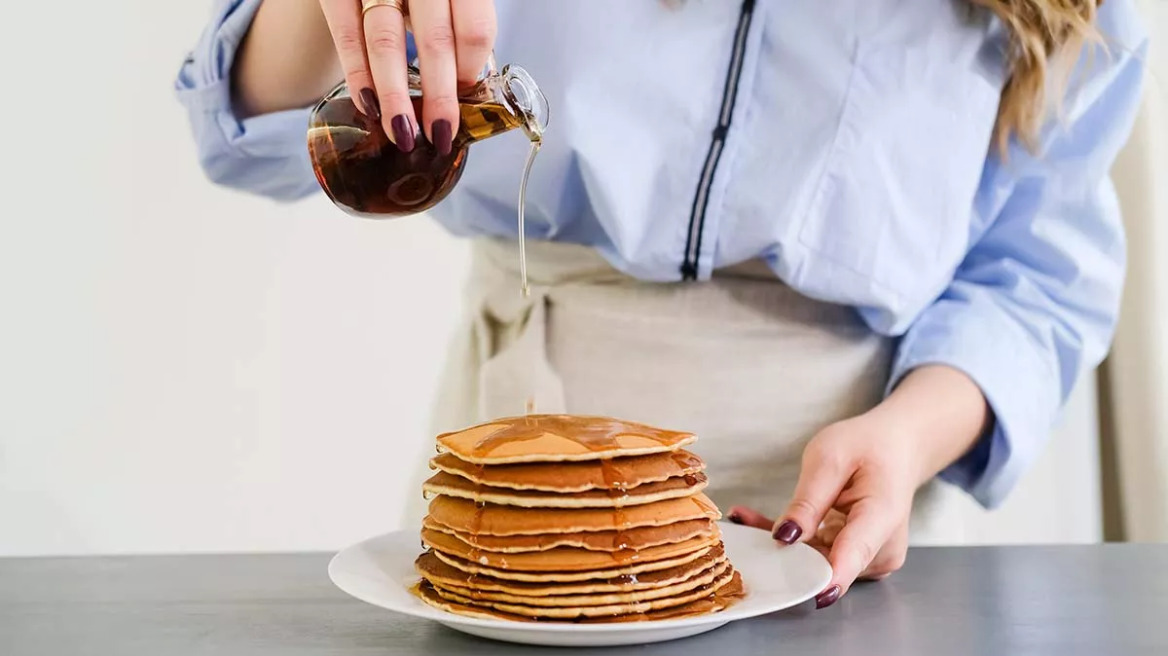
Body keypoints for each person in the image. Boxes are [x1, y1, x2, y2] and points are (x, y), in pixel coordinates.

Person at [176, 0, 1147, 609]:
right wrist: (329, 12)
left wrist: (910, 435)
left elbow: (1035, 276)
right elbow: (237, 128)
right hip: (513, 468)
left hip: (844, 507)